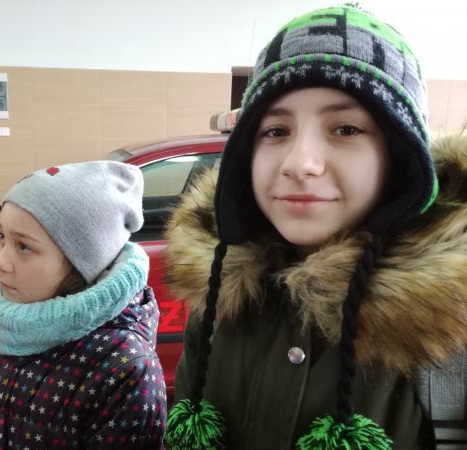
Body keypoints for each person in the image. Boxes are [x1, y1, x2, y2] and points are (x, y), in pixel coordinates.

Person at [163, 5, 467, 450]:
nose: (299, 162)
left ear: (401, 157)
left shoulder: (452, 328)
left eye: (345, 129)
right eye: (275, 131)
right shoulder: (219, 293)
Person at [0, 161, 167, 449]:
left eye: (24, 246)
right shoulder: (0, 323)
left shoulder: (124, 369)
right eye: (3, 238)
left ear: (80, 265)